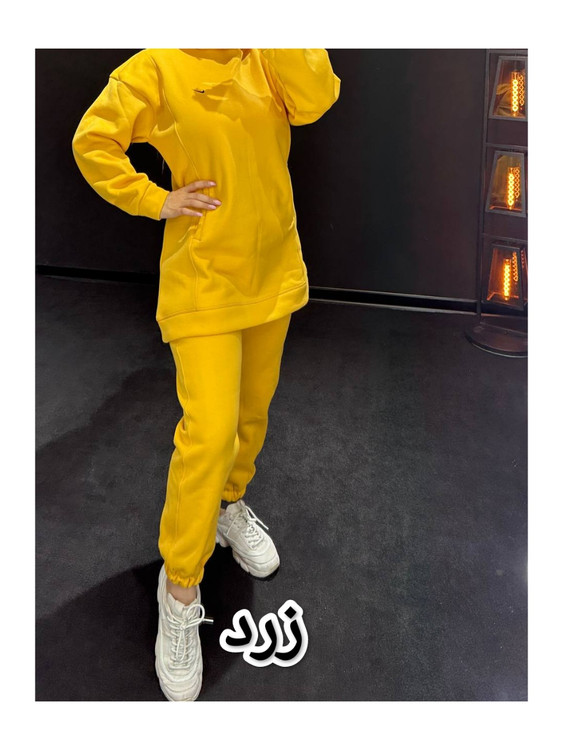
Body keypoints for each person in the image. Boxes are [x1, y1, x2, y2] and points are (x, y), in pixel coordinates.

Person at [72, 47, 341, 701]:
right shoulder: (158, 66)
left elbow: (317, 97)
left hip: (272, 269)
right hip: (203, 280)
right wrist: (154, 199)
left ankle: (228, 505)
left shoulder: (268, 52)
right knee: (210, 432)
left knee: (250, 416)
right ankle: (180, 588)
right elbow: (93, 141)